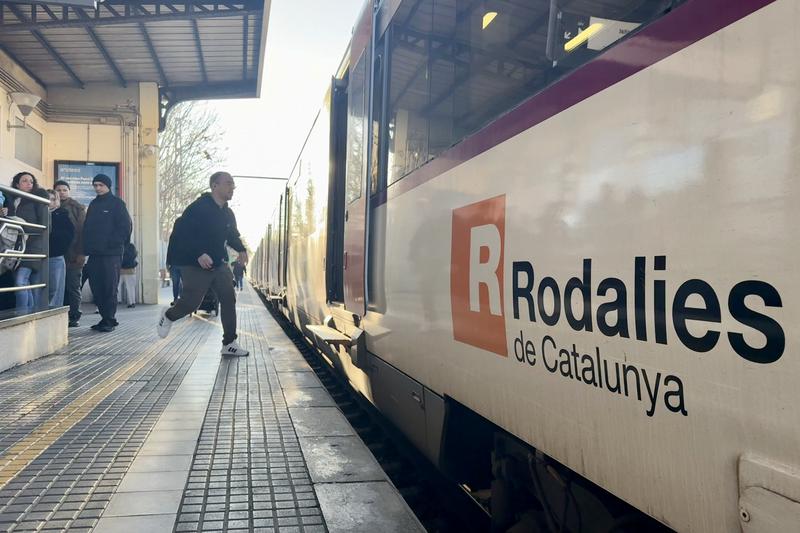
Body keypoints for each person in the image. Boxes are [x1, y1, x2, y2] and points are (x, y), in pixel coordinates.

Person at [157, 171, 249, 356]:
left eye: (233, 184)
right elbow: (182, 234)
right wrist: (198, 253)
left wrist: (241, 249)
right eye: (228, 183)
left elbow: (232, 235)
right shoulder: (198, 208)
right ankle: (168, 315)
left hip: (219, 263)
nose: (233, 187)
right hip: (194, 263)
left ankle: (229, 343)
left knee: (229, 298)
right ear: (215, 185)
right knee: (191, 304)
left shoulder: (228, 213)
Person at [82, 174, 132, 332]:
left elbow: (125, 227)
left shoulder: (117, 203)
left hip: (111, 254)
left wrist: (113, 243)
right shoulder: (93, 204)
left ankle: (110, 320)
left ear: (108, 186)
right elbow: (87, 228)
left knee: (109, 287)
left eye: (101, 185)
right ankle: (105, 318)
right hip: (95, 254)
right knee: (96, 287)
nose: (97, 188)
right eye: (95, 185)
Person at [3, 172, 49, 312]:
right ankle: (29, 313)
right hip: (16, 247)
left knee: (20, 281)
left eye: (31, 181)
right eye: (24, 181)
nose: (29, 184)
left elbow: (44, 225)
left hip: (32, 246)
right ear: (17, 184)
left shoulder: (37, 199)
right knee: (24, 282)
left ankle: (21, 314)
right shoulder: (12, 200)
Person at [54, 179, 87, 327]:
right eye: (59, 190)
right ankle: (58, 315)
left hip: (74, 255)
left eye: (64, 190)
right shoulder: (50, 206)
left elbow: (82, 233)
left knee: (73, 286)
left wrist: (81, 253)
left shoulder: (77, 208)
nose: (61, 193)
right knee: (57, 286)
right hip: (56, 254)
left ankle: (74, 316)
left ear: (69, 191)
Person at [47, 190, 74, 307]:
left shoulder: (62, 214)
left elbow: (69, 234)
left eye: (53, 199)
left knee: (55, 289)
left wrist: (58, 247)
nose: (50, 202)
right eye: (48, 199)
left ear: (57, 201)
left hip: (55, 256)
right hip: (40, 257)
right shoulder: (38, 213)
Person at [166, 216, 184, 305]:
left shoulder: (173, 236)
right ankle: (184, 299)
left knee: (175, 283)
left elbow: (170, 249)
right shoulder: (187, 236)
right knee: (185, 283)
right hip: (185, 264)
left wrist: (168, 262)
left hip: (174, 263)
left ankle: (176, 299)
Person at [119, 241, 138, 308]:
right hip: (130, 270)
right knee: (131, 288)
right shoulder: (132, 247)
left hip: (120, 270)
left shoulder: (120, 246)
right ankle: (132, 302)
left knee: (115, 287)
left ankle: (115, 301)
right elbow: (135, 255)